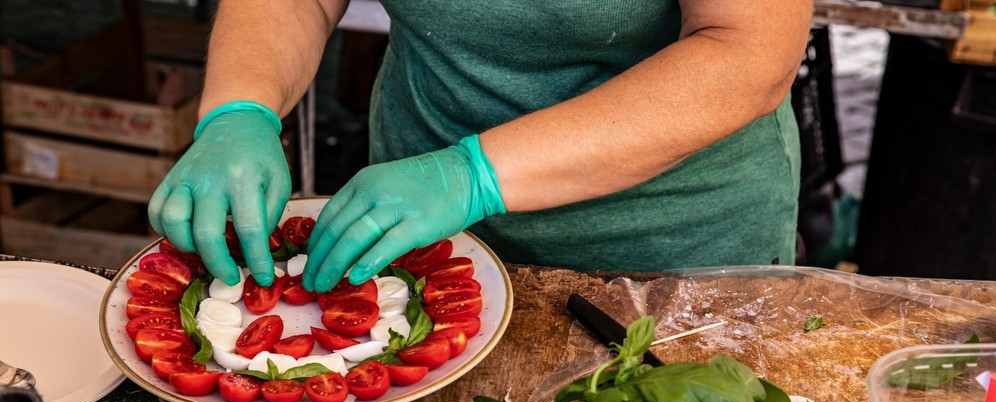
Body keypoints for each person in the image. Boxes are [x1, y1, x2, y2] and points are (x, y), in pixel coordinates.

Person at [148, 1, 812, 293]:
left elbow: (748, 52)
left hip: (671, 251)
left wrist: (471, 174)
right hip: (429, 239)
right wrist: (242, 107)